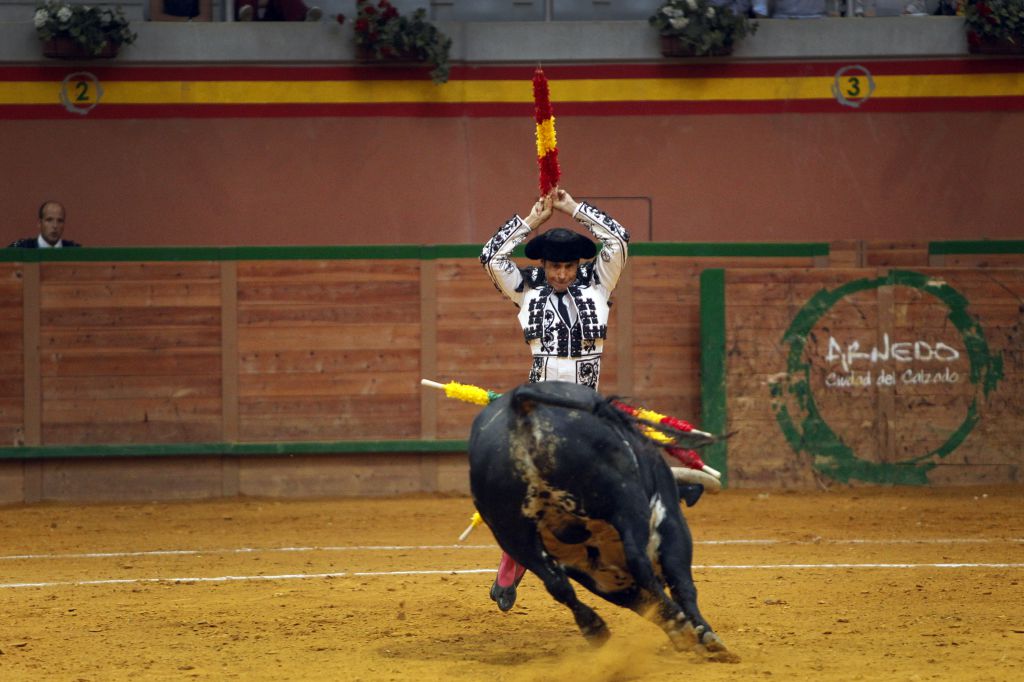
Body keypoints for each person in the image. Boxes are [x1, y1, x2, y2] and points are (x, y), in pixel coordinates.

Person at [479, 187, 630, 611]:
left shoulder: (598, 283)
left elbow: (618, 240)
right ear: (542, 264)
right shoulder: (526, 289)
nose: (561, 274)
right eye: (553, 266)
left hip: (585, 412)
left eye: (568, 266)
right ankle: (512, 563)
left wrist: (573, 208)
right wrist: (532, 220)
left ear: (578, 264)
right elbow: (491, 256)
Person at [8, 201, 81, 248]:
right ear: (39, 223)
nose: (55, 225)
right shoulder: (21, 248)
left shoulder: (75, 251)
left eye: (60, 221)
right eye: (49, 220)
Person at [236, 0, 323, 21]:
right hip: (250, 16)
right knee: (246, 4)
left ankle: (305, 16)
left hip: (273, 16)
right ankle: (246, 16)